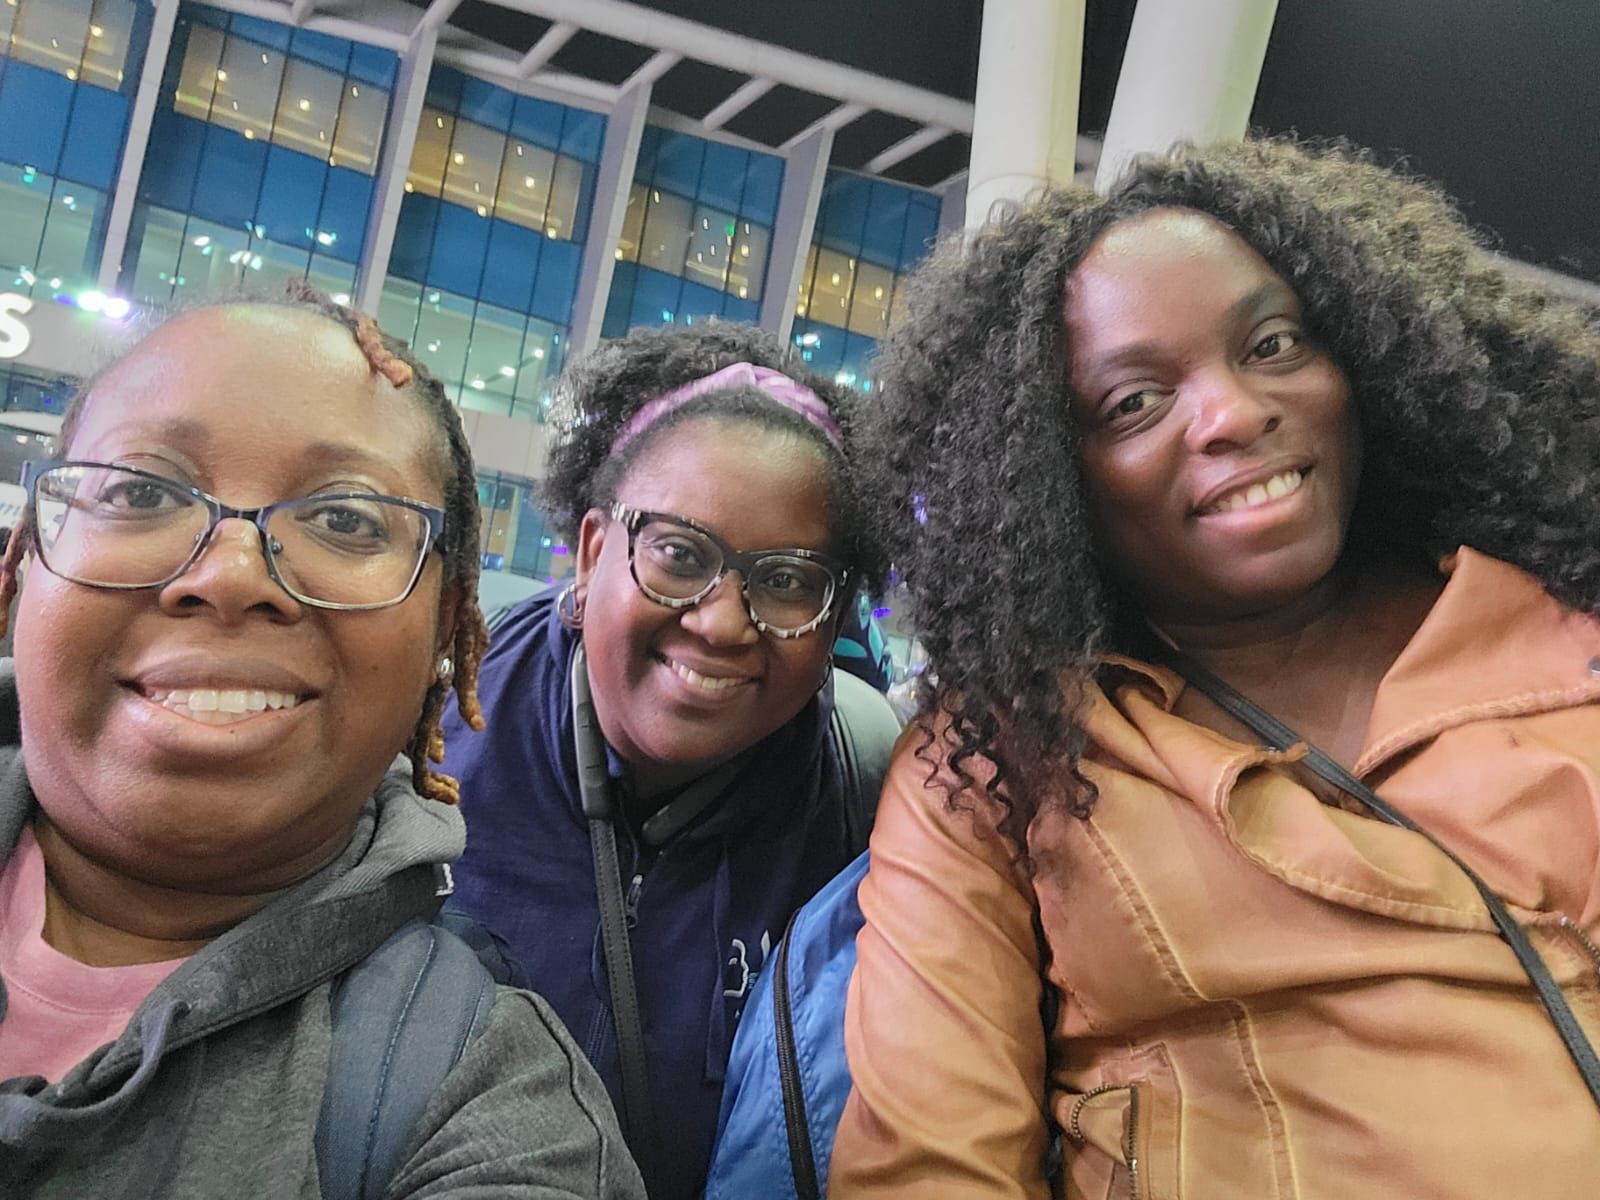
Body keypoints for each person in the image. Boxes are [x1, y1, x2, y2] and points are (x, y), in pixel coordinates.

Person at [831, 139, 1600, 1198]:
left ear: (1370, 362)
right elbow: (927, 1169)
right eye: (1133, 403)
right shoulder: (993, 765)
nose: (1234, 414)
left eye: (1273, 344)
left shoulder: (1569, 636)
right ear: (1052, 479)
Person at [0, 287, 644, 1199]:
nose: (229, 575)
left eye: (345, 518)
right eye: (140, 490)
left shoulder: (488, 1104)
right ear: (25, 559)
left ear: (443, 636)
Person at [438, 322, 887, 1200]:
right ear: (596, 548)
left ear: (836, 622)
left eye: (789, 579)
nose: (722, 621)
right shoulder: (437, 719)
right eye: (679, 555)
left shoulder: (868, 794)